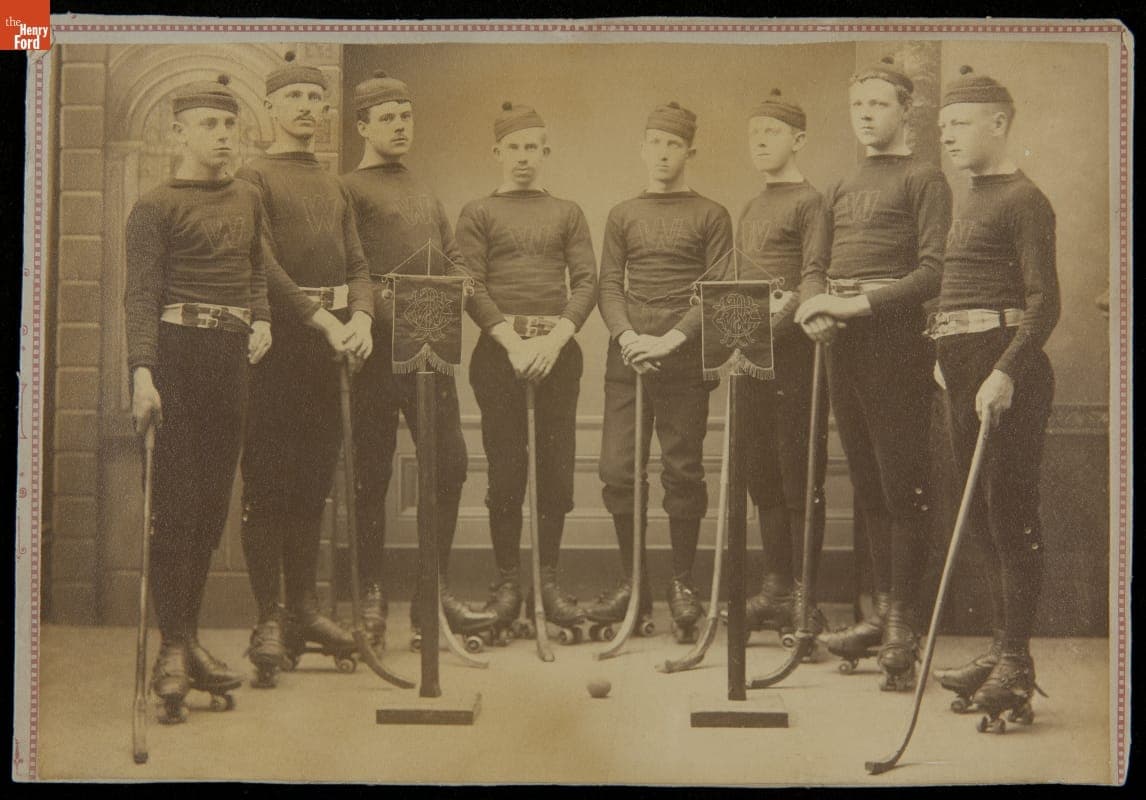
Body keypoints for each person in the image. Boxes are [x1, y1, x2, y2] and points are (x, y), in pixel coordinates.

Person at [795, 56, 952, 690]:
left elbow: (934, 272)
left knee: (900, 484)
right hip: (842, 345)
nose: (866, 115)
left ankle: (903, 628)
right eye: (858, 106)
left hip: (897, 343)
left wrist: (855, 303)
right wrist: (814, 308)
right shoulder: (837, 186)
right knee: (866, 484)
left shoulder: (926, 180)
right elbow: (814, 265)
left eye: (879, 105)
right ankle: (881, 614)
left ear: (906, 111)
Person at [124, 74, 272, 714]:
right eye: (208, 125)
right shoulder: (154, 207)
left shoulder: (247, 198)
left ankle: (184, 643)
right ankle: (173, 648)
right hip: (176, 359)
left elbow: (255, 267)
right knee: (177, 509)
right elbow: (140, 296)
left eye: (229, 125)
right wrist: (142, 373)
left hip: (230, 359)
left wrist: (262, 316)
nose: (222, 136)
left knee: (212, 509)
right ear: (178, 132)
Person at [341, 70, 497, 645]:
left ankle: (431, 595)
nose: (401, 126)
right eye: (387, 118)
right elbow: (350, 271)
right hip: (375, 352)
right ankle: (371, 595)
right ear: (362, 126)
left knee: (449, 463)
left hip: (429, 348)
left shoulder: (425, 191)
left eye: (406, 116)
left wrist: (484, 312)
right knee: (370, 472)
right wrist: (397, 309)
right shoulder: (348, 191)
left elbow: (456, 262)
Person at [236, 52, 375, 685]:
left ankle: (305, 611)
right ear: (271, 108)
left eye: (313, 101)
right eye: (291, 98)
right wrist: (325, 322)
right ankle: (268, 618)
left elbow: (357, 265)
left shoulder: (335, 184)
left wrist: (364, 320)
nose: (305, 110)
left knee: (313, 484)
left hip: (331, 352)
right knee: (268, 487)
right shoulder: (251, 180)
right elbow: (260, 264)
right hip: (276, 351)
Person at [930, 67, 1059, 724]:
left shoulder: (1023, 200)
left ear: (999, 123)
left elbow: (1044, 303)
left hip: (1005, 371)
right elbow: (960, 287)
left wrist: (1004, 370)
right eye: (944, 125)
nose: (947, 135)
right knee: (976, 512)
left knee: (1008, 514)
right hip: (962, 367)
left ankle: (1016, 661)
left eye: (958, 125)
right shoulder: (971, 195)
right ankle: (998, 649)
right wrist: (943, 356)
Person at [455, 102, 599, 638]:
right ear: (497, 153)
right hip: (499, 354)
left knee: (557, 473)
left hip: (558, 354)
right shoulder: (477, 213)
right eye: (512, 148)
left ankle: (549, 581)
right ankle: (508, 580)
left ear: (545, 152)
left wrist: (557, 338)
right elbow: (469, 282)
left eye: (531, 147)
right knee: (506, 472)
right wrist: (513, 342)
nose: (522, 157)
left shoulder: (568, 212)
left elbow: (585, 281)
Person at [592, 102, 734, 640]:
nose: (661, 153)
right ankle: (635, 586)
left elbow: (716, 290)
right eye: (653, 142)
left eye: (672, 144)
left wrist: (671, 339)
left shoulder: (711, 214)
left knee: (682, 470)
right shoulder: (623, 213)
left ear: (689, 151)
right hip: (628, 358)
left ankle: (682, 584)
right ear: (642, 147)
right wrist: (629, 337)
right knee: (619, 470)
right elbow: (608, 284)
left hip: (683, 358)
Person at [736, 90, 831, 644]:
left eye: (771, 133)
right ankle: (775, 587)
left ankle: (805, 596)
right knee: (761, 476)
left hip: (795, 355)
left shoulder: (812, 201)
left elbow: (813, 274)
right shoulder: (750, 206)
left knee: (798, 477)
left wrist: (779, 315)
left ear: (797, 140)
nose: (761, 143)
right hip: (749, 355)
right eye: (755, 134)